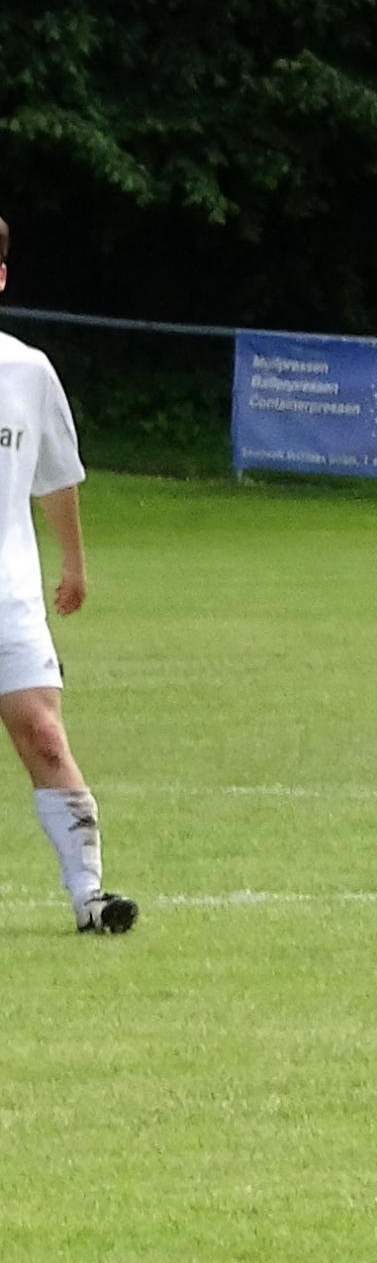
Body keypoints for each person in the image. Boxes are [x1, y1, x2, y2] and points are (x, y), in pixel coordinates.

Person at [0, 220, 132, 936]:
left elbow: (56, 475)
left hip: (9, 599)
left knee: (46, 737)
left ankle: (91, 898)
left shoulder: (28, 372)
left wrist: (74, 564)